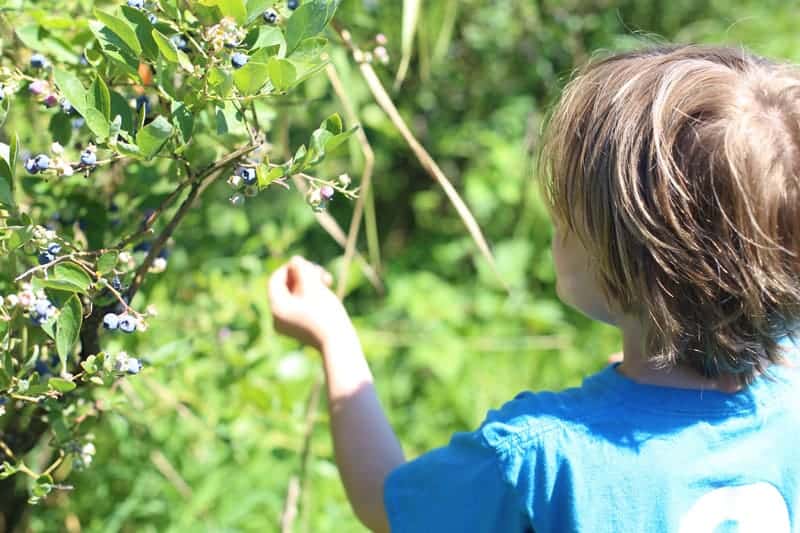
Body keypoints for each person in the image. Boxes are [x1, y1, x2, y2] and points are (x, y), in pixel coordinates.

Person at [267, 44, 800, 532]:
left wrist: (333, 337)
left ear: (631, 265)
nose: (553, 223)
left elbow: (384, 501)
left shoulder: (540, 460)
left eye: (567, 214)